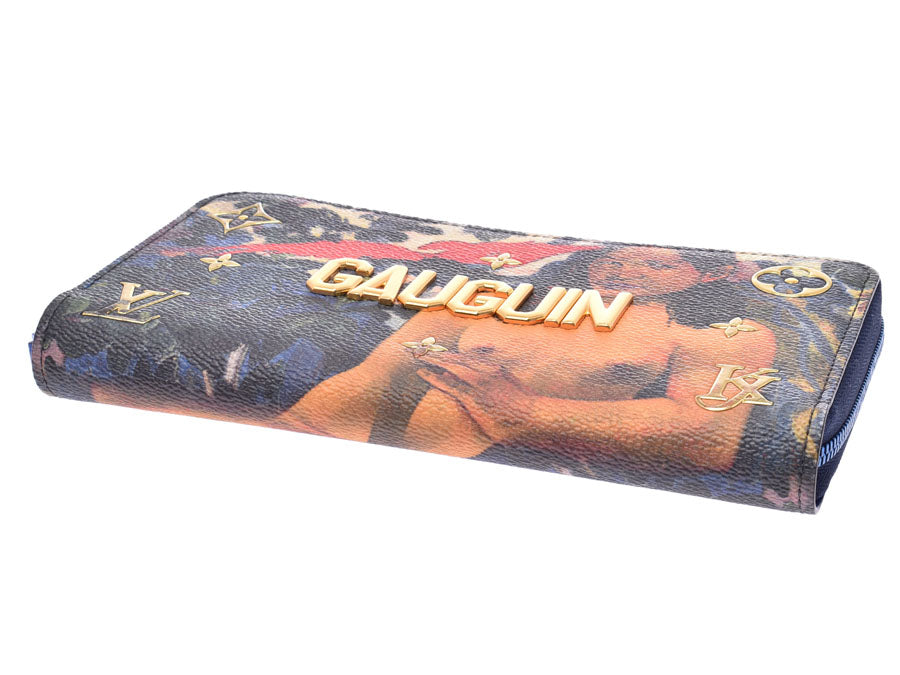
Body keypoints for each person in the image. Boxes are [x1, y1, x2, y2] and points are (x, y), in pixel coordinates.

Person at [279, 245, 777, 475]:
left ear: (710, 276)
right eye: (611, 260)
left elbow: (710, 438)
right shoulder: (488, 299)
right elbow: (375, 375)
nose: (624, 270)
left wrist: (527, 411)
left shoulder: (725, 335)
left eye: (656, 263)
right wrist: (298, 424)